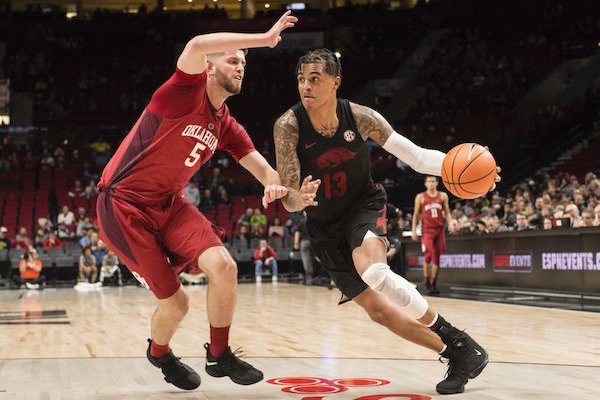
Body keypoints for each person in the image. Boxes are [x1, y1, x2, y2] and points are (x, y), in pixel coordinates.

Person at [272, 48, 501, 395]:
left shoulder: (361, 117)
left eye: (314, 79)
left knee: (374, 271)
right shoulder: (288, 126)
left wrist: (476, 172)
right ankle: (457, 352)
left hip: (363, 205)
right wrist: (297, 198)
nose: (305, 86)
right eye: (301, 79)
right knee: (380, 312)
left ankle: (456, 337)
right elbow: (289, 198)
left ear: (336, 82)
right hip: (323, 227)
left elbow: (419, 157)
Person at [96, 12, 300, 391]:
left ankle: (218, 354)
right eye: (232, 59)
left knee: (224, 267)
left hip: (169, 204)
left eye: (244, 63)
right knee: (177, 305)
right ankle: (159, 353)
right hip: (123, 206)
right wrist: (265, 37)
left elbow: (265, 170)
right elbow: (194, 44)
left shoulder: (225, 123)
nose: (241, 67)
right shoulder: (180, 91)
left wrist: (279, 187)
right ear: (208, 66)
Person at [411, 176, 451, 295]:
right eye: (429, 181)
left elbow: (447, 212)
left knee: (437, 257)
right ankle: (426, 282)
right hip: (427, 230)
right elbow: (416, 215)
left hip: (439, 230)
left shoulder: (443, 196)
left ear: (437, 183)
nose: (431, 183)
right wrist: (414, 230)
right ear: (425, 184)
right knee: (428, 255)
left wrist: (452, 222)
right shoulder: (421, 197)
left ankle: (434, 283)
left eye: (433, 181)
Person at [293, 212, 314, 284]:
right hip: (314, 242)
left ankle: (309, 278)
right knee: (319, 259)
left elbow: (297, 233)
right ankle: (325, 277)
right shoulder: (315, 221)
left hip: (304, 242)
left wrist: (296, 243)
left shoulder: (301, 221)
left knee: (306, 260)